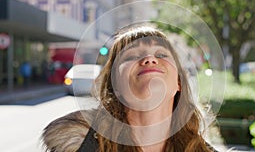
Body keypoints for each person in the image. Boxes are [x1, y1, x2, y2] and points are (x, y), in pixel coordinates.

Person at [41, 24, 217, 152]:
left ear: (179, 83)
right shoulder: (82, 145)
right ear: (115, 85)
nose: (149, 59)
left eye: (162, 54)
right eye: (132, 56)